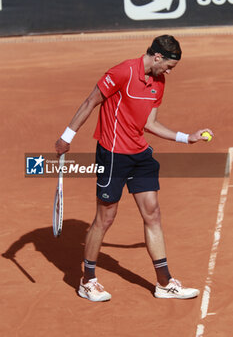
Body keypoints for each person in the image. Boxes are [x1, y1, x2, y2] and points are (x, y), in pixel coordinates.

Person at [55, 35, 213, 302]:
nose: (170, 72)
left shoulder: (158, 82)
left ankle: (164, 283)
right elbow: (90, 101)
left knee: (152, 213)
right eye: (169, 66)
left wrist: (187, 137)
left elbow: (150, 123)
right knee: (105, 218)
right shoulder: (122, 72)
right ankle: (87, 281)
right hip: (113, 155)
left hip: (140, 155)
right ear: (157, 57)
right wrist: (66, 137)